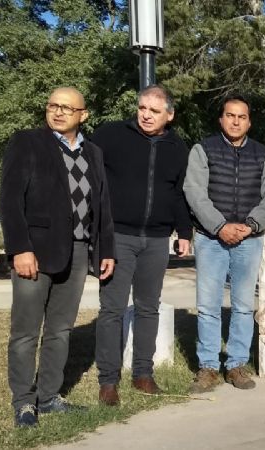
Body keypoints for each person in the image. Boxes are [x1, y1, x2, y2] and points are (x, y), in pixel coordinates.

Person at [0, 87, 115, 427]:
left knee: (60, 330)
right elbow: (9, 199)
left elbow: (102, 205)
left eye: (67, 107)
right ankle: (23, 402)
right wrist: (20, 248)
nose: (59, 112)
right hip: (34, 251)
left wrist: (105, 250)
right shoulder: (28, 142)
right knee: (25, 332)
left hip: (78, 251)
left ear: (84, 115)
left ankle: (48, 398)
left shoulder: (93, 153)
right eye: (53, 105)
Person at [90, 85, 193, 406]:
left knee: (148, 308)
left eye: (154, 110)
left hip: (157, 239)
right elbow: (88, 177)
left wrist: (184, 232)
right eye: (142, 108)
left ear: (169, 115)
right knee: (112, 309)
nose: (146, 115)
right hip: (117, 236)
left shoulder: (178, 148)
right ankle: (108, 381)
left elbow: (179, 194)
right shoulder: (110, 136)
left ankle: (143, 374)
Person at [184, 94, 265, 392]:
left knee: (242, 306)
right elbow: (195, 192)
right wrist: (219, 226)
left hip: (248, 241)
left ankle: (236, 365)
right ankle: (209, 367)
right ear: (221, 119)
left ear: (249, 121)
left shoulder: (264, 155)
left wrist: (250, 225)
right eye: (230, 115)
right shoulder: (203, 150)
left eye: (241, 117)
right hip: (210, 239)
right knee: (208, 306)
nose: (236, 121)